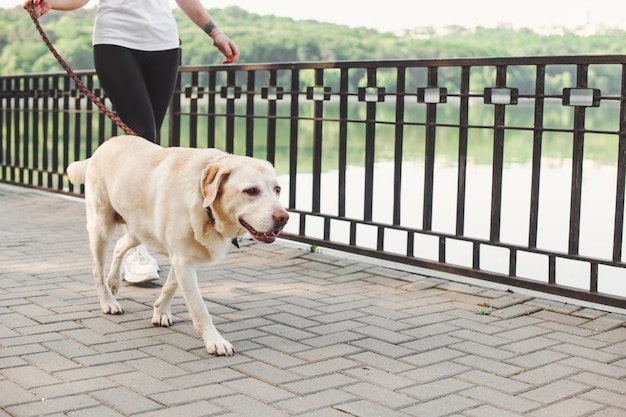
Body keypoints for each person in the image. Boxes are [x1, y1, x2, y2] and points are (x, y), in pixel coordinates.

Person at [26, 0, 240, 283]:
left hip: (164, 46)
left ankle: (108, 185)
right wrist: (51, 3)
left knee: (148, 147)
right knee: (142, 134)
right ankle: (134, 247)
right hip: (116, 41)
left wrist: (214, 32)